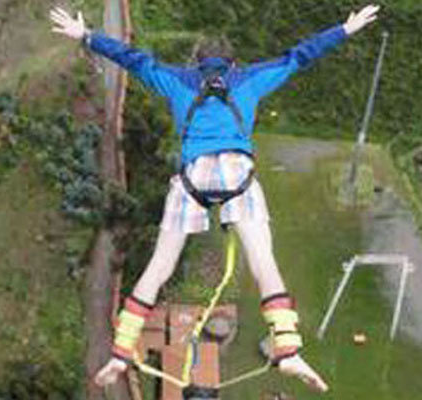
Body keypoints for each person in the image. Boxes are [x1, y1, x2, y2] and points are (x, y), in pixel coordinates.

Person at [49, 4, 381, 393]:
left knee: (159, 266)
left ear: (196, 62)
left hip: (193, 176)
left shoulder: (176, 80)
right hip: (238, 174)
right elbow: (300, 55)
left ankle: (122, 350)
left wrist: (87, 35)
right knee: (263, 263)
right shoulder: (250, 80)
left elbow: (132, 59)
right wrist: (344, 28)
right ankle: (288, 348)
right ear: (232, 64)